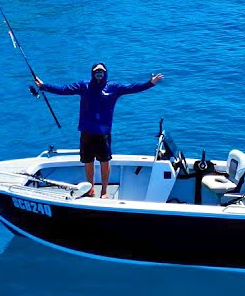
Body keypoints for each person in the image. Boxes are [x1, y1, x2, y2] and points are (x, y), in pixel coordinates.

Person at [35, 63, 163, 198]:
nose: (99, 73)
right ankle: (90, 188)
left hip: (103, 134)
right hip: (86, 132)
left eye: (101, 71)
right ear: (92, 72)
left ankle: (104, 191)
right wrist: (44, 86)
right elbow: (64, 89)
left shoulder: (114, 87)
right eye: (97, 71)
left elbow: (132, 88)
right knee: (88, 161)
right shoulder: (83, 86)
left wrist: (150, 83)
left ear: (106, 72)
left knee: (104, 161)